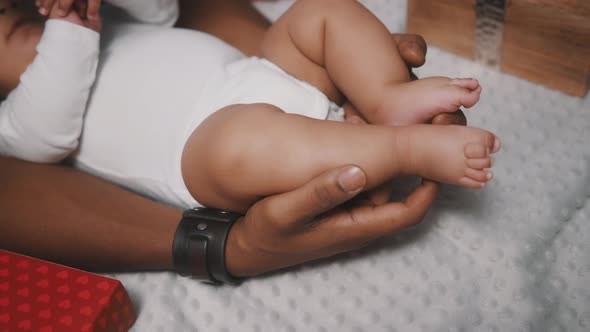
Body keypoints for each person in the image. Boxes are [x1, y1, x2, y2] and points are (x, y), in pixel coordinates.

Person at [0, 0, 467, 278]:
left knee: (319, 12)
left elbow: (162, 10)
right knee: (242, 146)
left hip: (258, 70)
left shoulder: (103, 16)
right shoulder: (15, 117)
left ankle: (388, 101)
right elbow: (47, 137)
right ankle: (404, 149)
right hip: (204, 146)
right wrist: (70, 27)